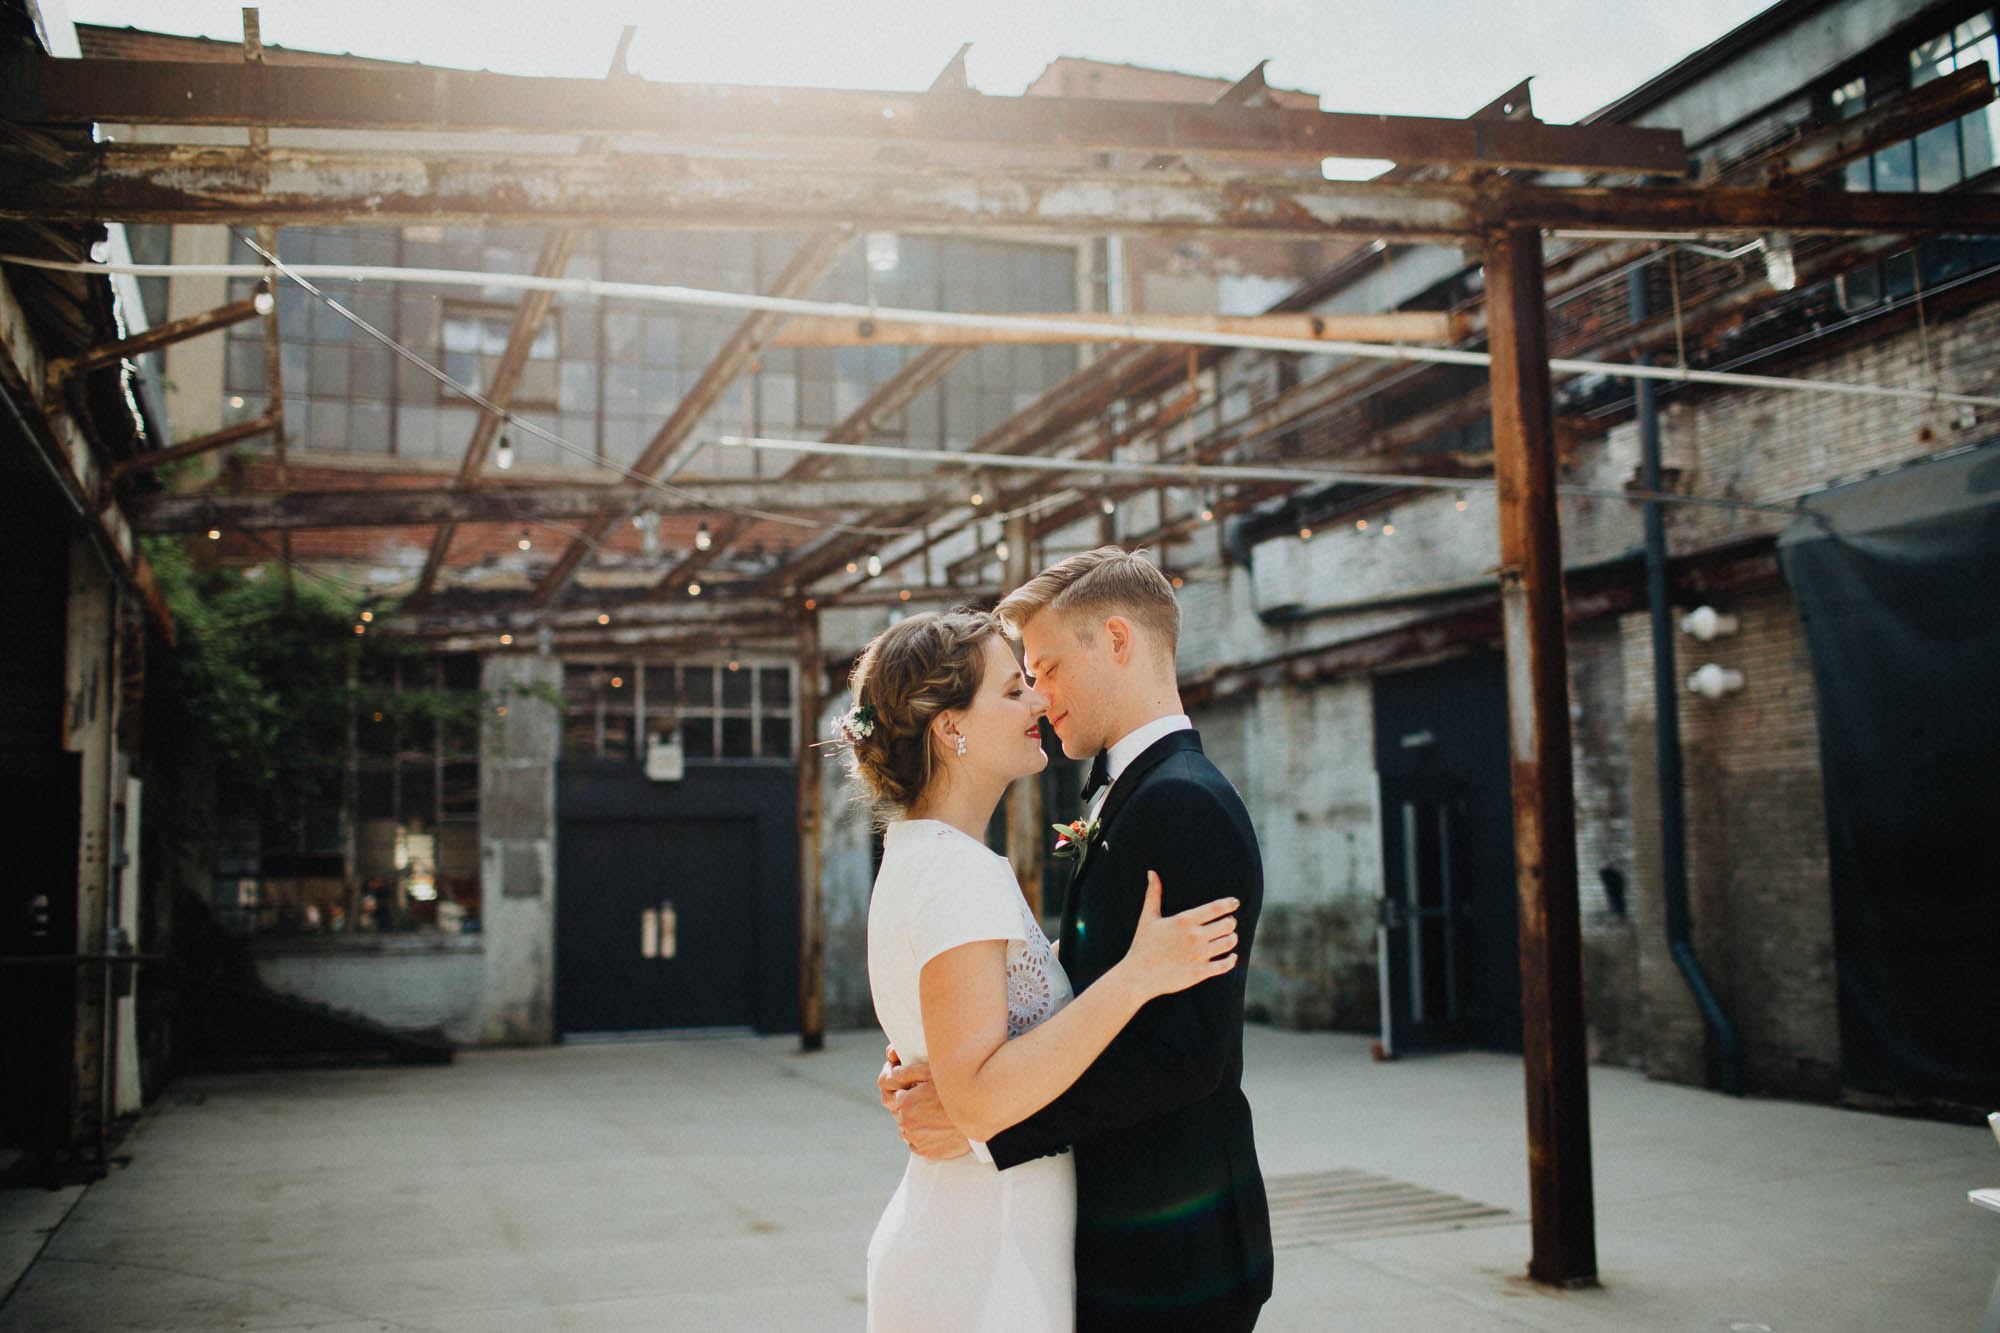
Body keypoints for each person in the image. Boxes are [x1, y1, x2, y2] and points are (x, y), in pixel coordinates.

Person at [880, 547, 1274, 1332]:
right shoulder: (1127, 792)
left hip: (1175, 1239)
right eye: (1024, 676)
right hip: (1121, 1233)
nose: (1039, 694)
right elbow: (1091, 981)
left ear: (1119, 641)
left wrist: (981, 1117)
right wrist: (954, 1041)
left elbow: (1186, 1055)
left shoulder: (1183, 803)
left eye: (1048, 666)